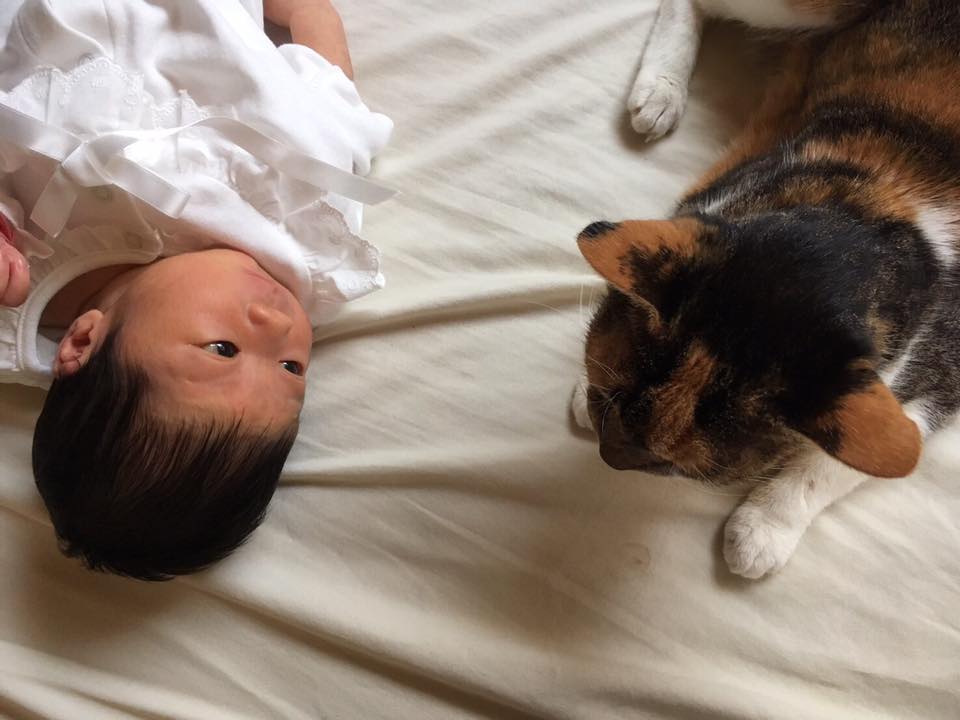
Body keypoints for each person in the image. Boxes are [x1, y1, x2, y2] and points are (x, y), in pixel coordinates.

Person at [0, 0, 392, 580]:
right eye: (290, 368)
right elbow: (329, 78)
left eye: (223, 350)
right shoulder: (306, 227)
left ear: (82, 342)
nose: (279, 325)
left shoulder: (18, 289)